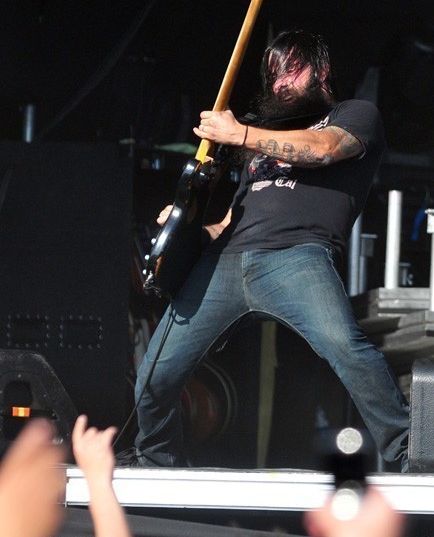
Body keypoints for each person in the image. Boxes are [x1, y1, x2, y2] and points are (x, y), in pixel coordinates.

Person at [125, 30, 409, 471]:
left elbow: (324, 150)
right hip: (226, 262)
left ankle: (408, 455)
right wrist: (186, 228)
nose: (281, 83)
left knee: (348, 350)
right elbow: (228, 223)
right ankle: (156, 462)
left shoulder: (354, 115)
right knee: (155, 373)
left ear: (322, 71)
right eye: (274, 75)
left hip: (298, 256)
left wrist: (240, 133)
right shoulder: (260, 142)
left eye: (293, 70)